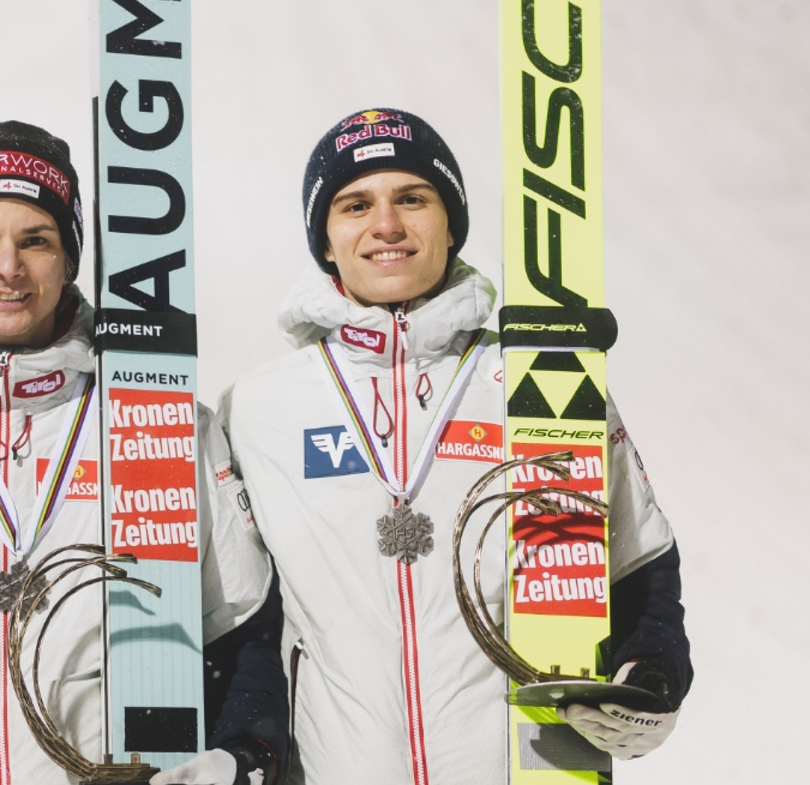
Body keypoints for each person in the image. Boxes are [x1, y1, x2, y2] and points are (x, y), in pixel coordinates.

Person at [216, 108, 691, 783]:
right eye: (356, 205)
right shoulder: (257, 408)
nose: (386, 225)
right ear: (325, 238)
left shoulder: (537, 379)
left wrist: (650, 674)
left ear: (451, 223)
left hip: (530, 771)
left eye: (413, 198)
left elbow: (638, 567)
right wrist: (245, 745)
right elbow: (247, 625)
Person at [0, 121, 287, 785]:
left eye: (36, 240)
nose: (8, 267)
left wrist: (243, 756)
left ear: (68, 260)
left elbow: (239, 634)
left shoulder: (161, 423)